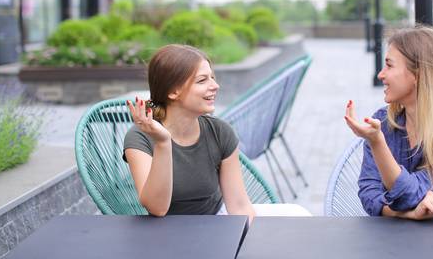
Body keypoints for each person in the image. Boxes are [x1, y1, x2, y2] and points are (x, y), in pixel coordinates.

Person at [344, 26, 433, 259]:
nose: (381, 74)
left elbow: (412, 194)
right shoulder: (383, 121)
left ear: (418, 74)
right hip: (398, 235)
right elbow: (369, 194)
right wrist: (408, 215)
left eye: (389, 65)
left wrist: (377, 142)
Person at [124, 44, 310, 219]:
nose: (215, 85)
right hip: (164, 231)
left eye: (212, 77)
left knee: (299, 214)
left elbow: (238, 206)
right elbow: (157, 209)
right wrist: (163, 143)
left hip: (216, 221)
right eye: (202, 80)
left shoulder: (220, 132)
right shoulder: (140, 138)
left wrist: (244, 245)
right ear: (173, 91)